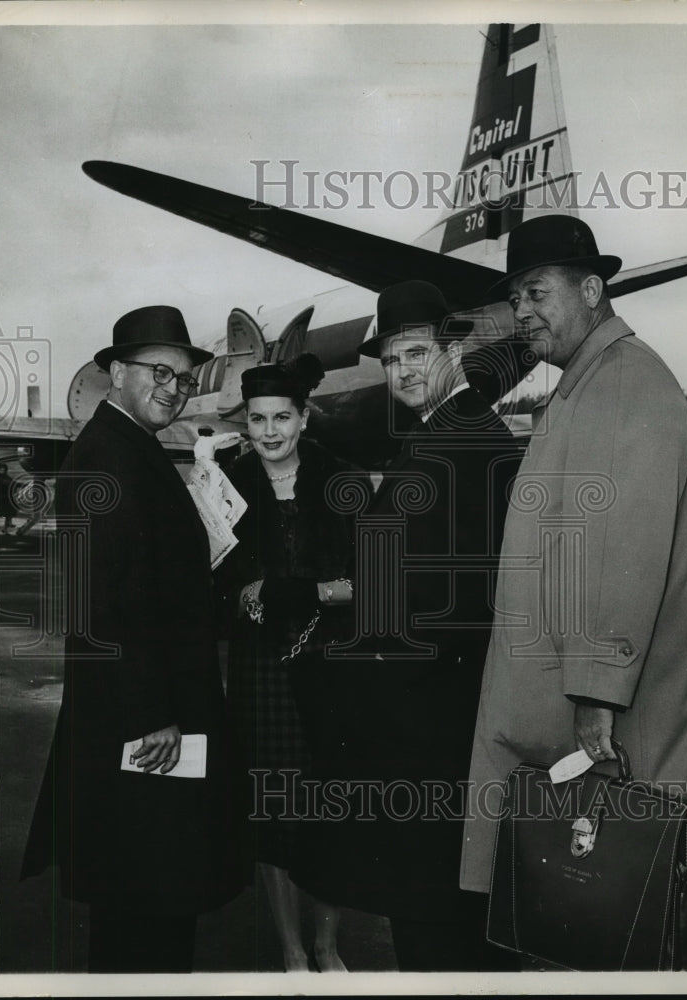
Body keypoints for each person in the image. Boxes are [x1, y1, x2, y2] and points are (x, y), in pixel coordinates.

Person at [461, 215, 687, 967]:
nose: (521, 313)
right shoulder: (588, 382)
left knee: (632, 916)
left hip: (624, 722)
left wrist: (594, 694)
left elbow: (620, 547)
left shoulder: (621, 382)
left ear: (590, 290)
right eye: (515, 297)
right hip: (610, 710)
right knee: (608, 922)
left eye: (536, 292)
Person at [291, 280, 524, 971]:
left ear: (454, 348)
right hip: (444, 717)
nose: (401, 372)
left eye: (416, 352)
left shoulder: (458, 442)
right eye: (390, 361)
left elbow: (434, 597)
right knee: (455, 917)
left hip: (430, 724)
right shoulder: (451, 434)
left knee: (433, 927)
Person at [21, 305, 246, 972]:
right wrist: (153, 717)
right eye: (159, 372)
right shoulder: (107, 456)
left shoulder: (130, 448)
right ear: (116, 373)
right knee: (145, 900)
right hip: (143, 725)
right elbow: (105, 605)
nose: (173, 389)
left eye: (182, 379)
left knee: (150, 893)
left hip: (151, 714)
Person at [215, 354, 364, 973]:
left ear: (304, 418)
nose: (270, 431)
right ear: (245, 425)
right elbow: (215, 580)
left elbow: (366, 581)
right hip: (262, 669)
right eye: (257, 420)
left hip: (330, 660)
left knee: (329, 804)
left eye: (282, 417)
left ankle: (328, 945)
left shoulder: (339, 481)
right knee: (273, 806)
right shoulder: (227, 486)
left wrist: (306, 592)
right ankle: (292, 947)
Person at [0, 462, 17, 534]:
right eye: (1, 469)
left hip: (6, 498)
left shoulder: (5, 476)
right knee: (8, 513)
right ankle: (5, 528)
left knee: (11, 510)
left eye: (4, 469)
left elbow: (13, 483)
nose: (2, 471)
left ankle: (9, 523)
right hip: (1, 499)